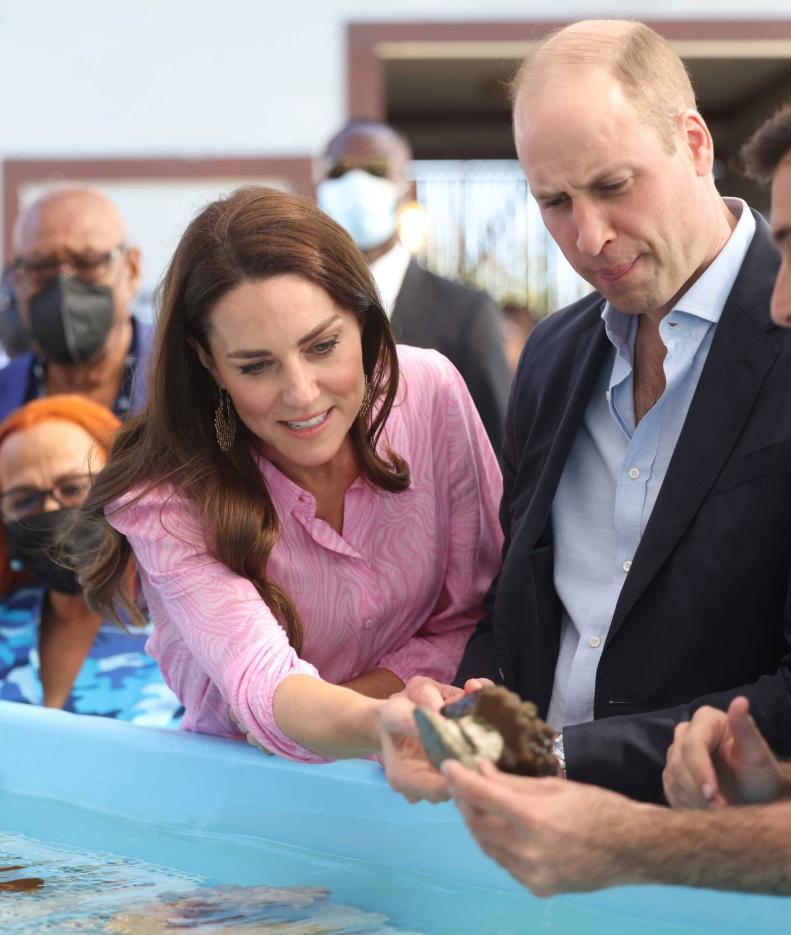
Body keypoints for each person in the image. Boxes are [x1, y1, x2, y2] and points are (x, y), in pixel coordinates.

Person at [441, 48, 791, 897]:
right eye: (554, 203)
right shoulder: (552, 355)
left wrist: (626, 829)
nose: (589, 235)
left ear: (693, 144)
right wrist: (475, 719)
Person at [74, 186, 502, 762]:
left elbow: (478, 612)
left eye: (323, 346)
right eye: (256, 366)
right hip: (247, 794)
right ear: (209, 364)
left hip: (421, 769)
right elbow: (259, 684)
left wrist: (366, 712)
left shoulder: (431, 393)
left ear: (364, 319)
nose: (301, 395)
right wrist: (387, 713)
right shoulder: (165, 494)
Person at [317, 119, 511, 452]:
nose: (356, 184)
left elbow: (496, 449)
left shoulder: (466, 314)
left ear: (407, 187)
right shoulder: (298, 307)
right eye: (339, 173)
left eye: (376, 170)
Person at [0, 395, 181, 726]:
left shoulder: (190, 622)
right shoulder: (6, 623)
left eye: (72, 488)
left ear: (123, 486)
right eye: (24, 500)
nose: (51, 511)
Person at [0, 188, 151, 422]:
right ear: (17, 278)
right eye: (41, 266)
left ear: (131, 269)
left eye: (87, 262)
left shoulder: (189, 381)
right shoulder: (5, 398)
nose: (63, 285)